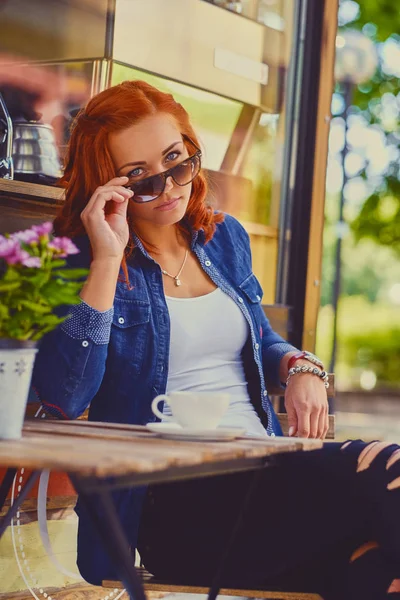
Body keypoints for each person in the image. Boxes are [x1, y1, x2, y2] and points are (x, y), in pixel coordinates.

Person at [32, 80, 400, 599]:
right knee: (389, 466)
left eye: (177, 162)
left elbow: (259, 339)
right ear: (107, 184)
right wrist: (108, 259)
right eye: (139, 178)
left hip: (269, 470)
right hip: (181, 504)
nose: (168, 188)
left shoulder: (222, 237)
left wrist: (300, 366)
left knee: (377, 575)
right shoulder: (78, 259)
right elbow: (65, 395)